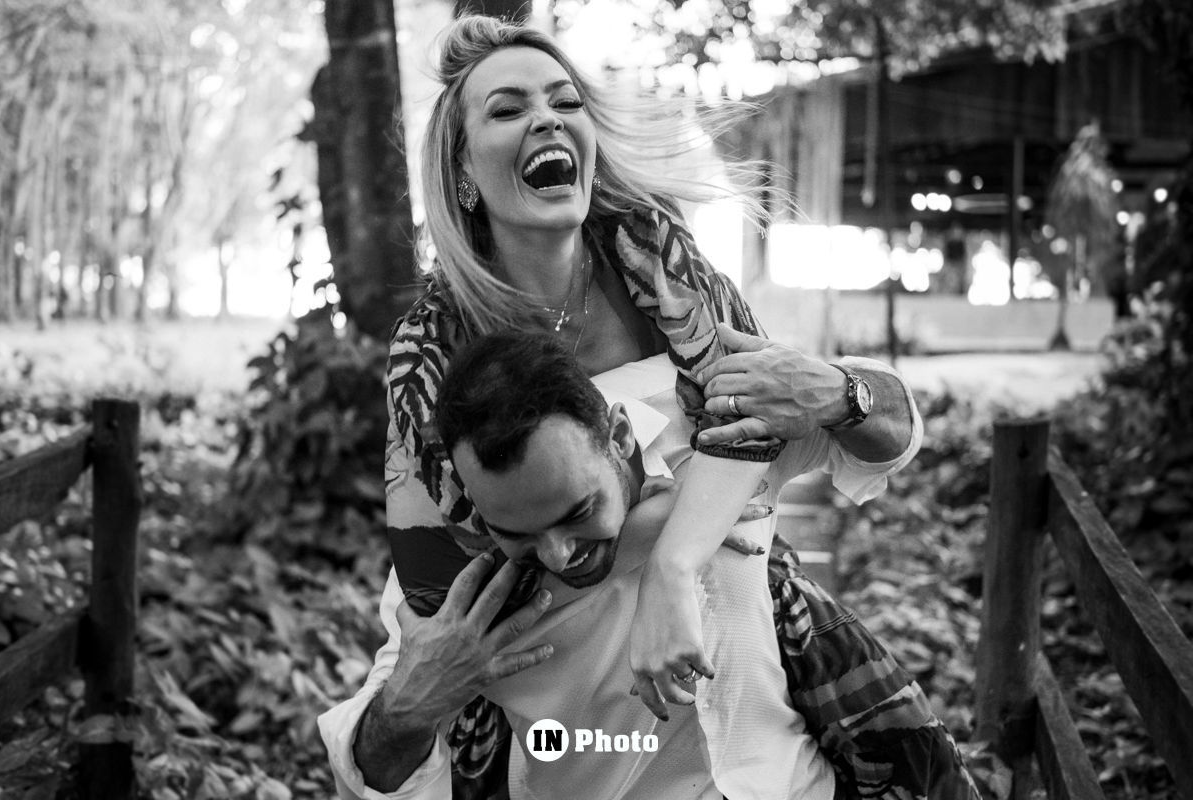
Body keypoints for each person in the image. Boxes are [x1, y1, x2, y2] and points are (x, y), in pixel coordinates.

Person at [372, 14, 924, 797]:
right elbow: (442, 602)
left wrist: (679, 558)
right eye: (506, 109)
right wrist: (686, 518)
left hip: (773, 757)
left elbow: (839, 431)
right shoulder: (430, 363)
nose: (546, 120)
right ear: (462, 173)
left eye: (566, 102)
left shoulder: (674, 279)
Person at [319, 331, 978, 799]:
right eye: (516, 531)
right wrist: (411, 705)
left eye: (577, 512)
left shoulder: (705, 419)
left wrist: (843, 392)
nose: (558, 554)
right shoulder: (445, 568)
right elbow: (373, 773)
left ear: (620, 438)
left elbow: (893, 440)